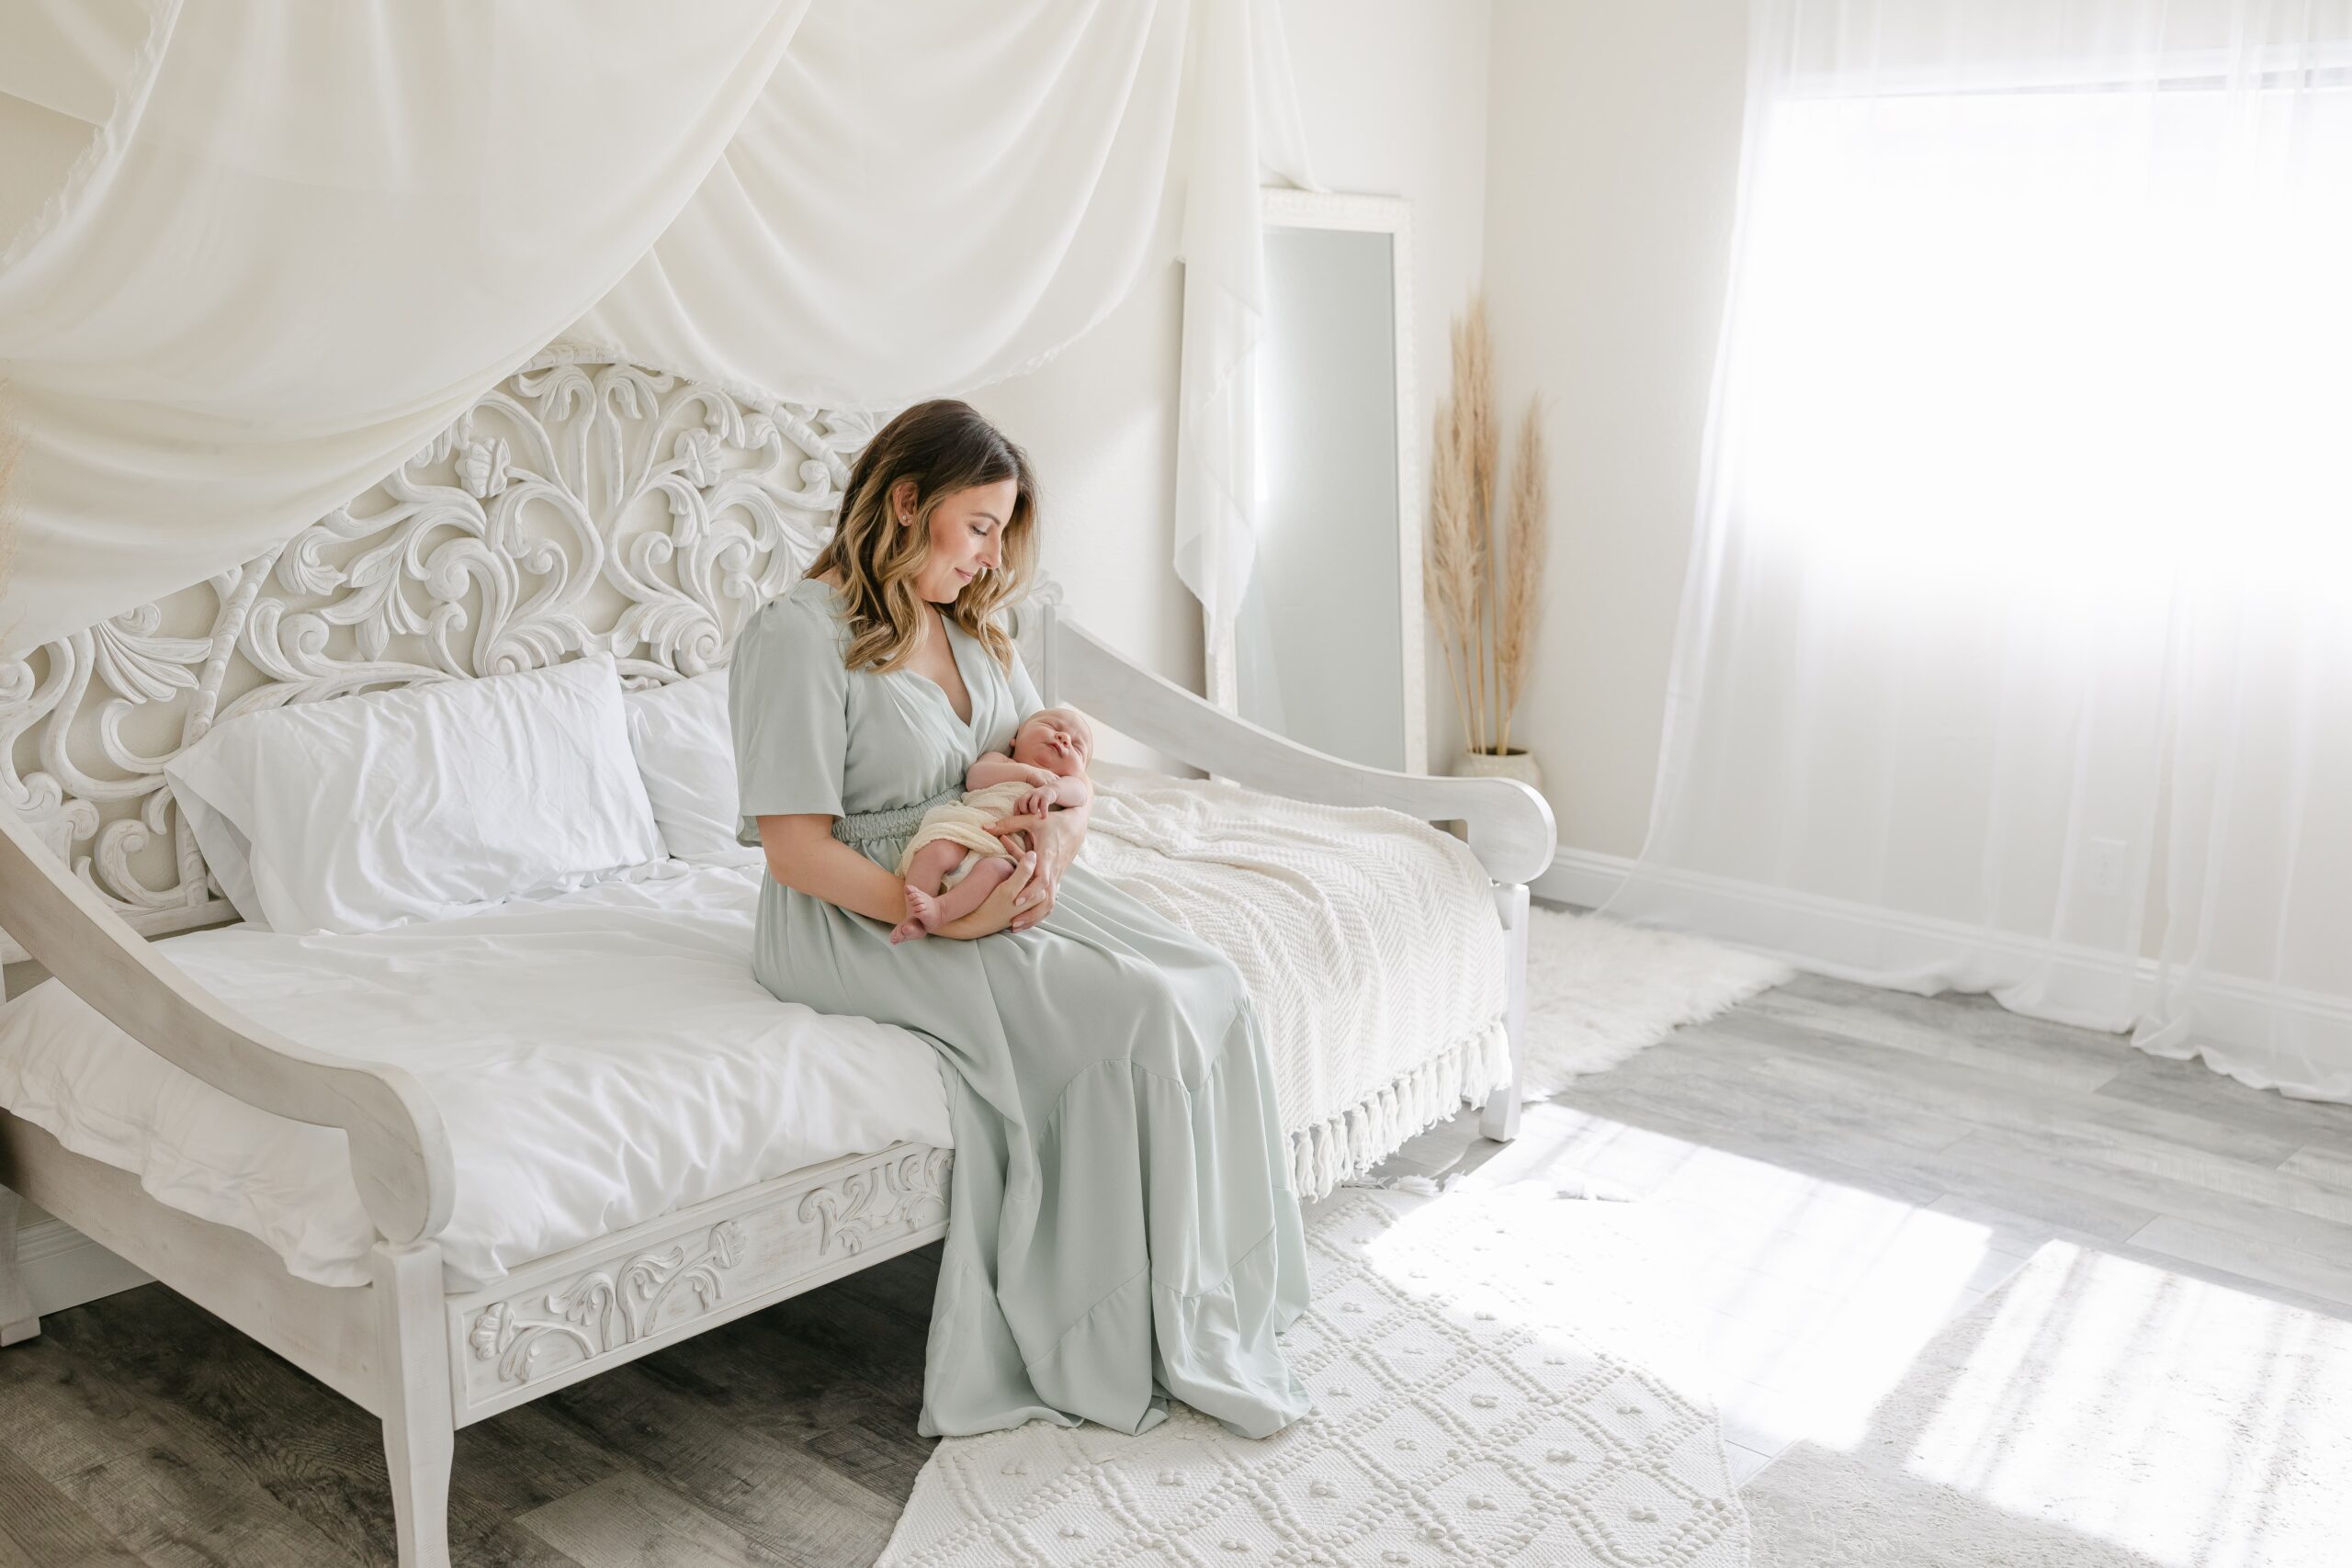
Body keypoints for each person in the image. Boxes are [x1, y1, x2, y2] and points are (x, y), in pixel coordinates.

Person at [728, 399, 1310, 1440]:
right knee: (1130, 1012)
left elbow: (1059, 779)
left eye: (1001, 532)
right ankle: (1102, 1327)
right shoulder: (796, 633)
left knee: (1206, 981)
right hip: (862, 906)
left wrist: (1053, 856)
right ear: (907, 502)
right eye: (980, 526)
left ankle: (1196, 1294)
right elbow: (794, 847)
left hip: (992, 865)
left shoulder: (971, 627)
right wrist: (937, 916)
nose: (991, 555)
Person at [888, 706, 1096, 944]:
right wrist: (1026, 774)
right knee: (933, 850)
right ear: (1016, 737)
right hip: (970, 829)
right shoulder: (1002, 760)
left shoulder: (1065, 783)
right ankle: (914, 917)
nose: (1064, 738)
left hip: (1005, 851)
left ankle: (941, 910)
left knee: (997, 871)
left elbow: (1080, 793)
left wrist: (1052, 791)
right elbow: (975, 778)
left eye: (1078, 747)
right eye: (1051, 726)